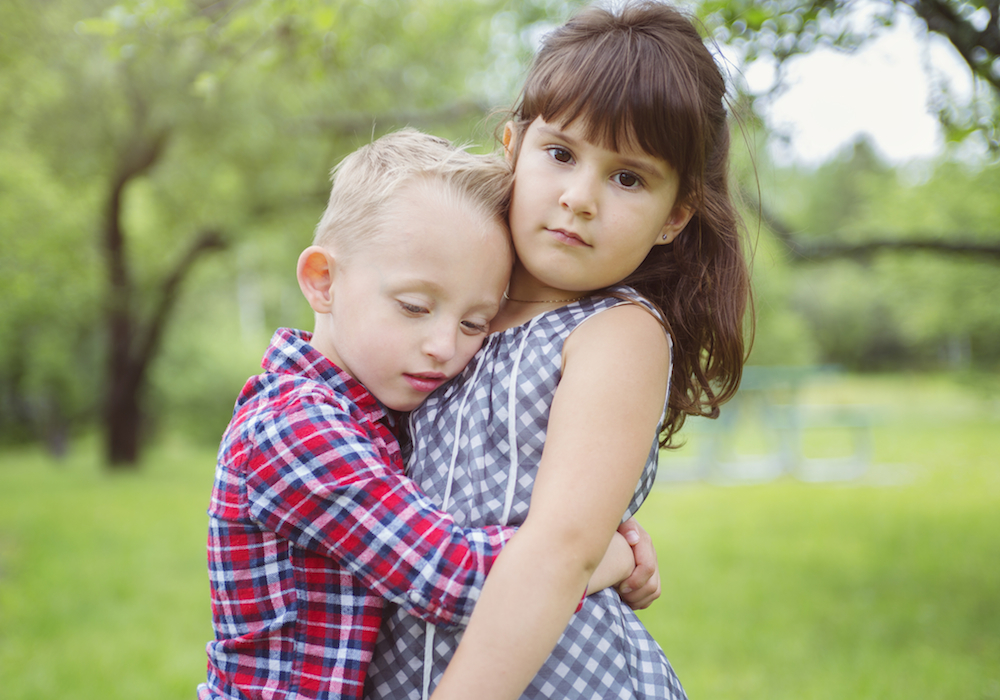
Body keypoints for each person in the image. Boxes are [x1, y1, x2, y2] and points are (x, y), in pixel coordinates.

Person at [367, 3, 752, 700]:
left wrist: (595, 553)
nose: (579, 198)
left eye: (628, 177)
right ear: (512, 146)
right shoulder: (448, 306)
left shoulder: (617, 334)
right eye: (561, 153)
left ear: (675, 215)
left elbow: (557, 551)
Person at [198, 129, 661, 700]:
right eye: (415, 307)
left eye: (473, 323)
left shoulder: (381, 410)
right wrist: (602, 555)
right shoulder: (295, 429)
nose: (444, 345)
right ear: (323, 281)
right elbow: (450, 575)